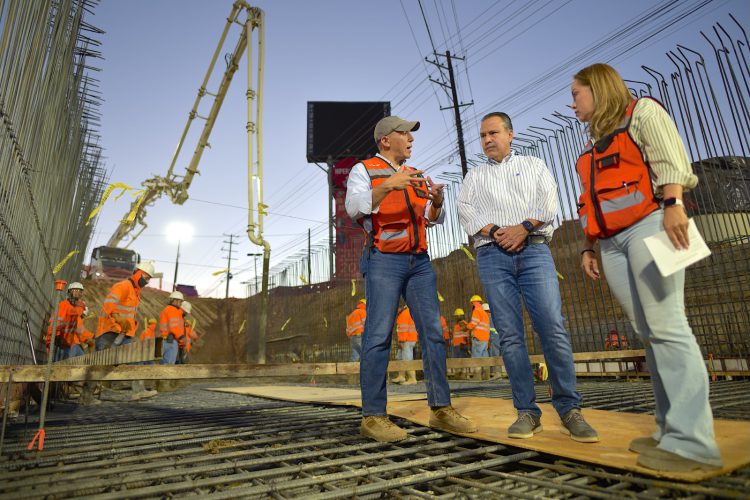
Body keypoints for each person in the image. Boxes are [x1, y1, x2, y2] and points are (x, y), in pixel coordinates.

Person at [571, 63, 722, 471]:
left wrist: (674, 205)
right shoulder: (591, 145)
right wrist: (587, 246)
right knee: (648, 332)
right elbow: (590, 202)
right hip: (611, 243)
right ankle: (668, 429)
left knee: (668, 326)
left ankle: (694, 443)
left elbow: (671, 160)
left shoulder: (642, 113)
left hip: (651, 225)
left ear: (598, 89)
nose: (572, 104)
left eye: (576, 94)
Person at [457, 111, 598, 443]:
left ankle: (569, 409)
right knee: (509, 335)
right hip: (492, 255)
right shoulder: (474, 175)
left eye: (493, 133)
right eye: (483, 135)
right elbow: (465, 210)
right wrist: (496, 231)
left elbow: (548, 203)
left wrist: (522, 228)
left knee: (552, 327)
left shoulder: (534, 165)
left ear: (510, 134)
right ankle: (527, 412)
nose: (487, 140)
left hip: (534, 250)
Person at [345, 115, 477, 442]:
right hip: (383, 259)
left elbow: (431, 219)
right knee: (378, 336)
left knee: (433, 334)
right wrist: (387, 185)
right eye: (404, 133)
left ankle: (441, 409)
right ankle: (373, 416)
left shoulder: (415, 173)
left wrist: (437, 203)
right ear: (385, 140)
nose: (411, 139)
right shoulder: (364, 170)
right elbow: (354, 208)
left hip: (418, 262)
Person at [96, 261, 155, 350]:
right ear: (137, 272)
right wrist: (118, 317)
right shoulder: (123, 286)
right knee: (104, 358)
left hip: (124, 334)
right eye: (145, 277)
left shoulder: (135, 292)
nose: (146, 281)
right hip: (109, 333)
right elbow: (108, 305)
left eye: (148, 279)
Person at [46, 282, 90, 360]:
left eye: (79, 291)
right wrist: (56, 336)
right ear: (69, 292)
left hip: (67, 342)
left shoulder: (73, 310)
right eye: (75, 290)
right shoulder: (64, 305)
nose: (77, 293)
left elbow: (78, 330)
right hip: (59, 341)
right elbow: (56, 322)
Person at [466, 294, 491, 380]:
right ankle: (486, 375)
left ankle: (477, 376)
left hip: (478, 337)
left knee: (477, 356)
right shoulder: (484, 312)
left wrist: (467, 327)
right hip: (485, 338)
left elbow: (474, 323)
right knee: (485, 356)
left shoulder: (476, 310)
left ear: (473, 302)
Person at [393, 305, 418, 385]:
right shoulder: (406, 312)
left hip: (406, 340)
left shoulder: (404, 314)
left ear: (399, 307)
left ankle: (412, 379)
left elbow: (404, 329)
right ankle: (401, 376)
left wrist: (401, 341)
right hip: (407, 339)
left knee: (407, 359)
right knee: (400, 357)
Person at [159, 291, 185, 365]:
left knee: (163, 365)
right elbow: (174, 328)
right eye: (180, 301)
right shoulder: (173, 310)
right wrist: (181, 338)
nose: (181, 304)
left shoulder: (167, 309)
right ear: (175, 301)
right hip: (171, 342)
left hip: (165, 340)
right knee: (169, 367)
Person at [451, 308, 470, 379]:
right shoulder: (458, 324)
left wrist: (464, 343)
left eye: (456, 316)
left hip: (461, 344)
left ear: (458, 316)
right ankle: (458, 374)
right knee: (457, 360)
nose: (455, 318)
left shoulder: (462, 323)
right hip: (457, 345)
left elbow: (465, 333)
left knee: (462, 359)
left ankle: (463, 374)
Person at [484, 303, 502, 379]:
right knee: (500, 356)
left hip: (494, 339)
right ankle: (499, 373)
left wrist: (489, 341)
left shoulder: (488, 318)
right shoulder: (495, 316)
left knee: (495, 356)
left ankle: (497, 373)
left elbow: (489, 331)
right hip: (500, 338)